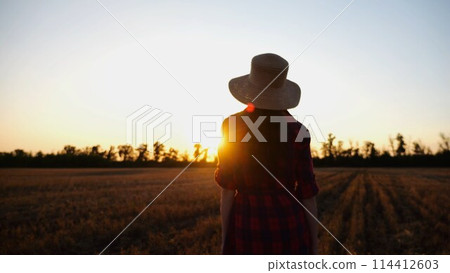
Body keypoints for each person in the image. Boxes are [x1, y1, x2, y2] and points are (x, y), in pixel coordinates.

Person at [215, 53, 319, 254]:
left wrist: (225, 241)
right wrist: (313, 244)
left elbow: (227, 190)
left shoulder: (232, 126)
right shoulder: (298, 131)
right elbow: (308, 194)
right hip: (290, 227)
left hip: (247, 226)